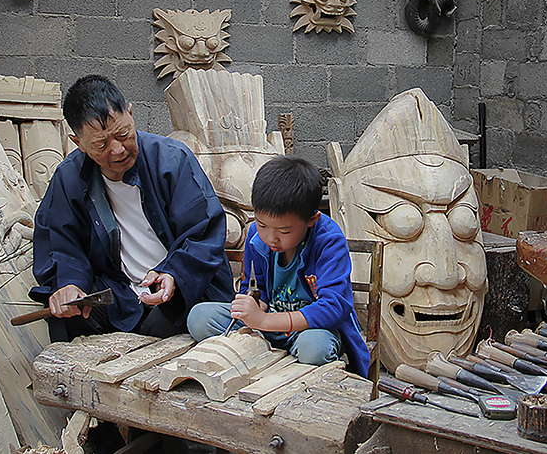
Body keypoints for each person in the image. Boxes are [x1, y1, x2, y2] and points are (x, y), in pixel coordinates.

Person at [31, 74, 233, 343]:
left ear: (130, 113)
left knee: (166, 324)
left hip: (181, 288)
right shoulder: (69, 178)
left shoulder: (172, 159)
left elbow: (204, 233)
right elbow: (60, 242)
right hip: (120, 292)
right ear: (78, 143)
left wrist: (173, 273)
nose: (117, 150)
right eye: (100, 145)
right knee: (69, 317)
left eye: (123, 134)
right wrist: (69, 285)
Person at [187, 156, 371, 377]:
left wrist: (265, 320)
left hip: (308, 330)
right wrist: (255, 303)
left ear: (311, 220)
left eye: (284, 231)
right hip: (267, 327)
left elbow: (334, 308)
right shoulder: (257, 237)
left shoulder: (328, 241)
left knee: (315, 348)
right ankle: (265, 352)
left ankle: (274, 356)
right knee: (199, 317)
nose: (270, 238)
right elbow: (254, 287)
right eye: (262, 224)